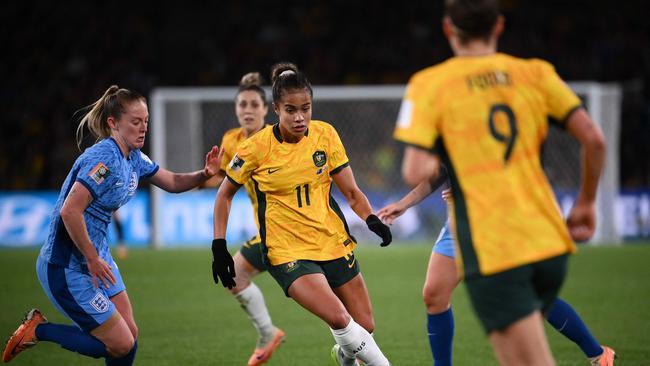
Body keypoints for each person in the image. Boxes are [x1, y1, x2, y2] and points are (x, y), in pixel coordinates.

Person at [379, 0, 607, 365]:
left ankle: (597, 353)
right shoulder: (536, 72)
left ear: (448, 30)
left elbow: (416, 168)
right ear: (499, 27)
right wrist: (586, 201)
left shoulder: (431, 84)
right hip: (542, 230)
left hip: (488, 232)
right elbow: (595, 139)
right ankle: (600, 356)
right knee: (436, 294)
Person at [2, 85, 224, 365]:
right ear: (113, 123)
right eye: (135, 122)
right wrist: (92, 259)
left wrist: (204, 174)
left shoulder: (133, 157)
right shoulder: (105, 159)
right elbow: (70, 212)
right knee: (119, 344)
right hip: (66, 265)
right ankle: (38, 329)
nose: (143, 128)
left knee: (130, 335)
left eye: (146, 122)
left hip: (97, 256)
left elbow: (172, 182)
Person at [211, 62, 393, 366]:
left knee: (365, 327)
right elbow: (224, 194)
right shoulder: (254, 147)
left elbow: (351, 192)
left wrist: (371, 219)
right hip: (287, 250)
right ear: (276, 110)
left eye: (305, 108)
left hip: (331, 240)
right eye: (291, 110)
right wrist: (219, 245)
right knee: (338, 317)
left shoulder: (325, 135)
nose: (299, 117)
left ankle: (343, 356)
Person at [202, 71, 285, 366]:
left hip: (295, 228)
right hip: (268, 233)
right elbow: (224, 182)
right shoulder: (231, 140)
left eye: (254, 105)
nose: (247, 110)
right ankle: (267, 333)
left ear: (267, 110)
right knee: (233, 275)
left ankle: (355, 342)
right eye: (242, 105)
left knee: (321, 291)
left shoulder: (278, 137)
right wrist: (206, 177)